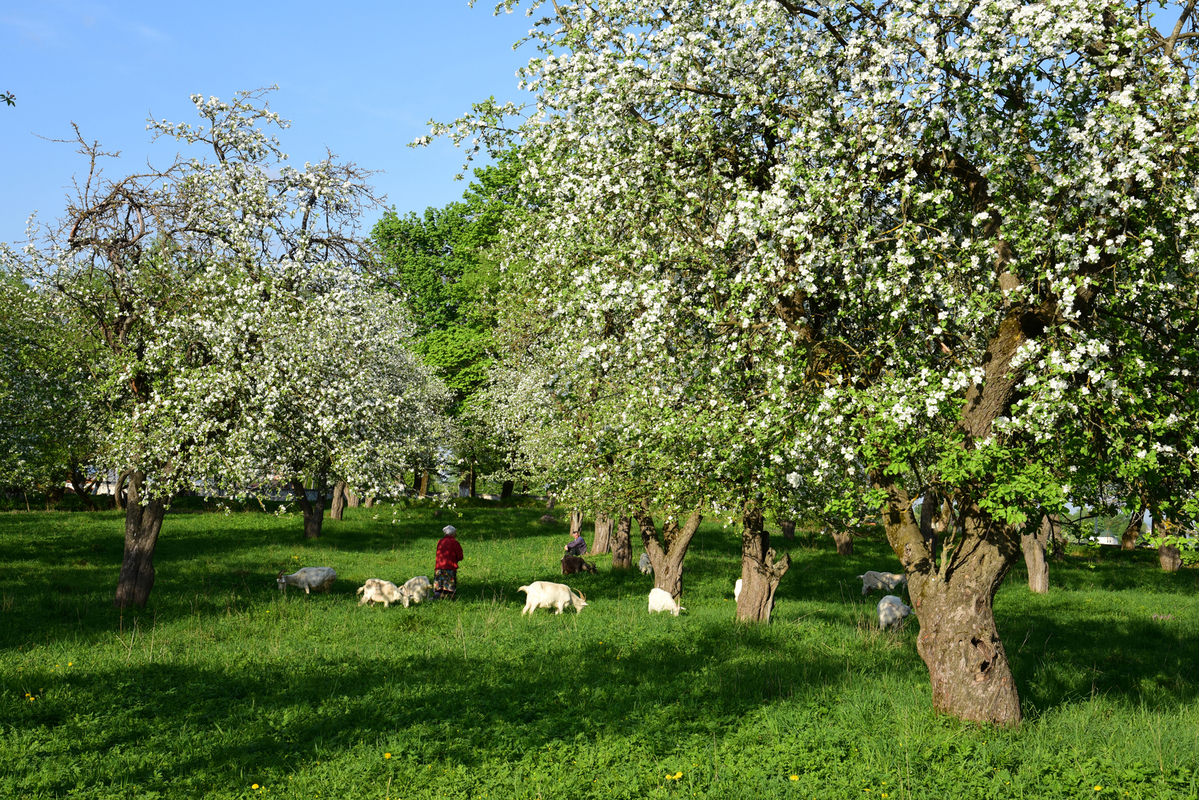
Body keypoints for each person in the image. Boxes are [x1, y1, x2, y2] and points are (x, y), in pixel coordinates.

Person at [434, 525, 464, 600]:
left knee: (441, 587)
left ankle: (441, 600)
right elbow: (460, 555)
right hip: (450, 567)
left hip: (439, 568)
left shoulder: (440, 541)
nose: (456, 534)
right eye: (455, 533)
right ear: (452, 533)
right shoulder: (454, 542)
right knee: (450, 588)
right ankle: (453, 601)